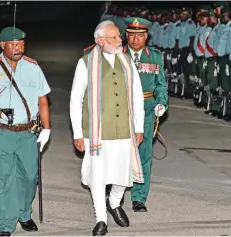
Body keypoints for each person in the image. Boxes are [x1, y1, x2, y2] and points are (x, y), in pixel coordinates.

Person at [70, 20, 145, 236]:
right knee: (98, 176)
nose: (120, 40)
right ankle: (101, 218)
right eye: (114, 37)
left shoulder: (127, 62)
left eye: (118, 36)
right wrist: (77, 133)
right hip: (96, 132)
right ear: (100, 41)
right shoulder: (86, 63)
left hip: (124, 129)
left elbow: (137, 97)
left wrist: (138, 127)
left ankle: (114, 202)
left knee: (123, 173)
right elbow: (76, 100)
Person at [0, 26, 51, 236]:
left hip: (27, 132)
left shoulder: (33, 67)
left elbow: (42, 99)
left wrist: (47, 129)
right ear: (3, 45)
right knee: (3, 178)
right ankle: (5, 224)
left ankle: (23, 213)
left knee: (29, 177)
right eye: (14, 45)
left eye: (21, 44)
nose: (18, 48)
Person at [123, 17, 168, 212]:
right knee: (119, 152)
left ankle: (139, 197)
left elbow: (161, 84)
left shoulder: (155, 57)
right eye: (132, 35)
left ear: (146, 36)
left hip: (147, 108)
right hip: (121, 109)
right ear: (126, 35)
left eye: (140, 36)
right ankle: (111, 191)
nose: (135, 40)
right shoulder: (117, 55)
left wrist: (162, 103)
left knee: (144, 154)